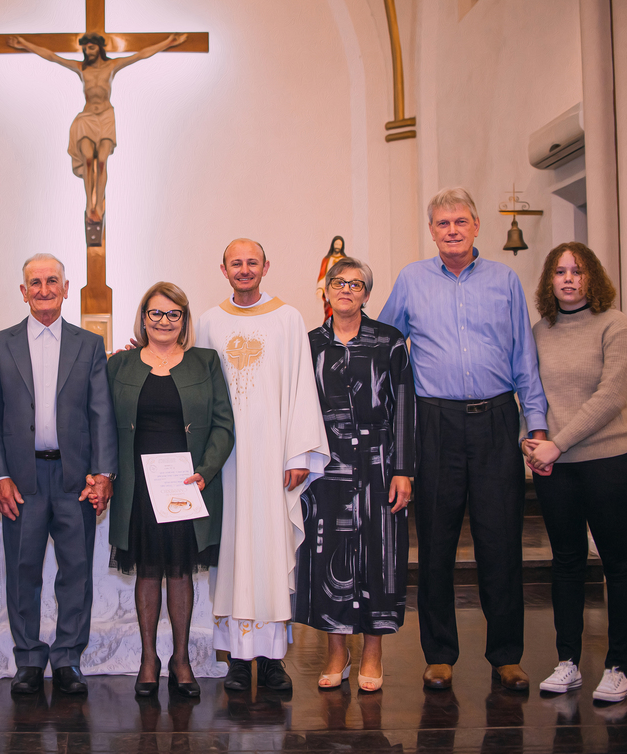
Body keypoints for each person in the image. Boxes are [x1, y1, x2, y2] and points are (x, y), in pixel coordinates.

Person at [379, 187, 548, 692]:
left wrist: (534, 426)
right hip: (434, 424)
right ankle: (440, 654)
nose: (452, 230)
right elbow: (384, 344)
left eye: (460, 221)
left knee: (501, 542)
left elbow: (524, 358)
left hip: (497, 420)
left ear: (477, 226)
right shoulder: (411, 279)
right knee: (435, 543)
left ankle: (506, 654)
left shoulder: (505, 281)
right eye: (442, 223)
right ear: (431, 231)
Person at [0, 253, 118, 695]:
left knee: (75, 571)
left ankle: (68, 659)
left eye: (51, 281)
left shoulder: (88, 344)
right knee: (23, 570)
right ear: (23, 291)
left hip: (75, 479)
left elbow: (101, 414)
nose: (43, 289)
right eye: (35, 283)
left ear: (65, 287)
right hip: (21, 480)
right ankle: (27, 659)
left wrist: (104, 473)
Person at [196, 238, 330, 692]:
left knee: (270, 550)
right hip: (226, 461)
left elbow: (301, 387)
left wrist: (298, 454)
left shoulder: (288, 318)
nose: (245, 269)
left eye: (252, 262)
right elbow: (196, 384)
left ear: (266, 266)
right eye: (236, 262)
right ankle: (236, 659)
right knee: (231, 552)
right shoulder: (210, 321)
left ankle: (273, 660)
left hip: (273, 456)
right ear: (223, 268)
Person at [524, 243, 627, 704]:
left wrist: (557, 442)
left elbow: (610, 396)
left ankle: (618, 667)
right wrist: (530, 441)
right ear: (549, 281)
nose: (568, 279)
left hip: (608, 462)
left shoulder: (615, 324)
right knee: (567, 563)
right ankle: (568, 661)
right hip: (556, 468)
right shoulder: (540, 331)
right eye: (559, 272)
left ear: (592, 277)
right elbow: (527, 391)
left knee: (618, 563)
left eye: (577, 271)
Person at [106, 282, 235, 697]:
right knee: (147, 571)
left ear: (184, 320)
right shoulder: (119, 365)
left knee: (180, 572)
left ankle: (180, 659)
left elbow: (223, 423)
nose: (163, 321)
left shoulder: (205, 362)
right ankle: (148, 659)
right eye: (155, 314)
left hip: (185, 484)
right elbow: (103, 423)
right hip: (138, 487)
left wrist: (206, 470)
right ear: (143, 318)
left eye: (172, 314)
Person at [296, 257, 414, 693]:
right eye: (338, 282)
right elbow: (295, 409)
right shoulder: (309, 344)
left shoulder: (388, 341)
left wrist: (403, 469)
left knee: (380, 558)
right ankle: (335, 651)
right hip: (326, 467)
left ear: (366, 294)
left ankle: (373, 652)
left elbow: (405, 406)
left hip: (379, 462)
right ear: (324, 291)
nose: (346, 289)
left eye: (356, 284)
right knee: (328, 555)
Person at [7, 32, 187, 227]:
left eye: (91, 47)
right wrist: (24, 44)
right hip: (87, 118)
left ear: (99, 48)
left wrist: (169, 42)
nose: (87, 51)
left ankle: (99, 204)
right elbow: (53, 57)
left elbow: (140, 55)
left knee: (101, 162)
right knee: (88, 160)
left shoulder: (111, 66)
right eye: (85, 49)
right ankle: (89, 204)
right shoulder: (81, 68)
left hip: (106, 118)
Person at [315, 236, 346, 321]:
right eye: (336, 244)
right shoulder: (327, 260)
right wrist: (320, 288)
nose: (337, 246)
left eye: (339, 244)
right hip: (330, 291)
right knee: (330, 312)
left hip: (342, 291)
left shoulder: (345, 260)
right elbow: (323, 275)